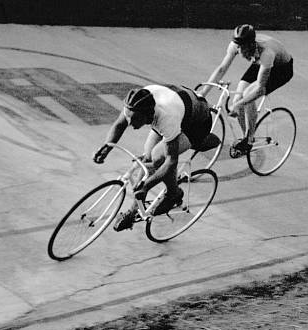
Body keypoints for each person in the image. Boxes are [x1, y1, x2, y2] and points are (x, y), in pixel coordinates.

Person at [93, 86, 217, 231]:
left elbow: (171, 162)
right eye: (129, 117)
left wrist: (146, 186)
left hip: (196, 123)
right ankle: (133, 212)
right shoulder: (136, 104)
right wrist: (106, 147)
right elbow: (119, 125)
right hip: (179, 105)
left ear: (148, 115)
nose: (131, 124)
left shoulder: (166, 119)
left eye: (136, 120)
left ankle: (174, 193)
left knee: (158, 158)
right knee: (147, 159)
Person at [199, 24, 293, 158]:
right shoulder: (236, 45)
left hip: (281, 69)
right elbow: (221, 69)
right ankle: (245, 138)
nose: (240, 51)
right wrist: (203, 92)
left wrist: (238, 105)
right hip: (259, 63)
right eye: (238, 46)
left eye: (243, 47)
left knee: (248, 96)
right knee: (238, 97)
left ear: (251, 44)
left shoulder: (267, 53)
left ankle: (249, 140)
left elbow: (259, 89)